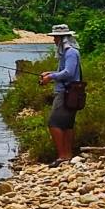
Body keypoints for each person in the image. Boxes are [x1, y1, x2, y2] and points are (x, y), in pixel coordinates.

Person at [39, 24, 82, 167]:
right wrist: (49, 73)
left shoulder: (70, 52)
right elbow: (66, 71)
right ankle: (67, 156)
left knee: (54, 123)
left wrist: (50, 77)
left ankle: (62, 156)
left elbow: (68, 73)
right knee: (67, 125)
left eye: (55, 37)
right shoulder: (71, 52)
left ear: (63, 38)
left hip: (65, 92)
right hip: (71, 92)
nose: (54, 40)